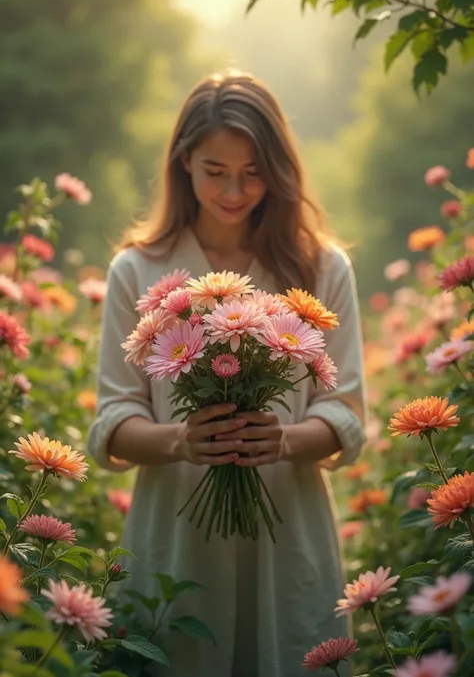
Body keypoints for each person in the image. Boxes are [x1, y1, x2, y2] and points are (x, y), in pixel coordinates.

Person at [87, 69, 366, 677]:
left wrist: (286, 439)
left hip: (288, 533)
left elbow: (346, 411)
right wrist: (182, 440)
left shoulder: (321, 268)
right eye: (216, 171)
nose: (235, 190)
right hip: (177, 531)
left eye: (254, 172)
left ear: (280, 168)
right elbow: (112, 418)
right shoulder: (137, 270)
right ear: (184, 162)